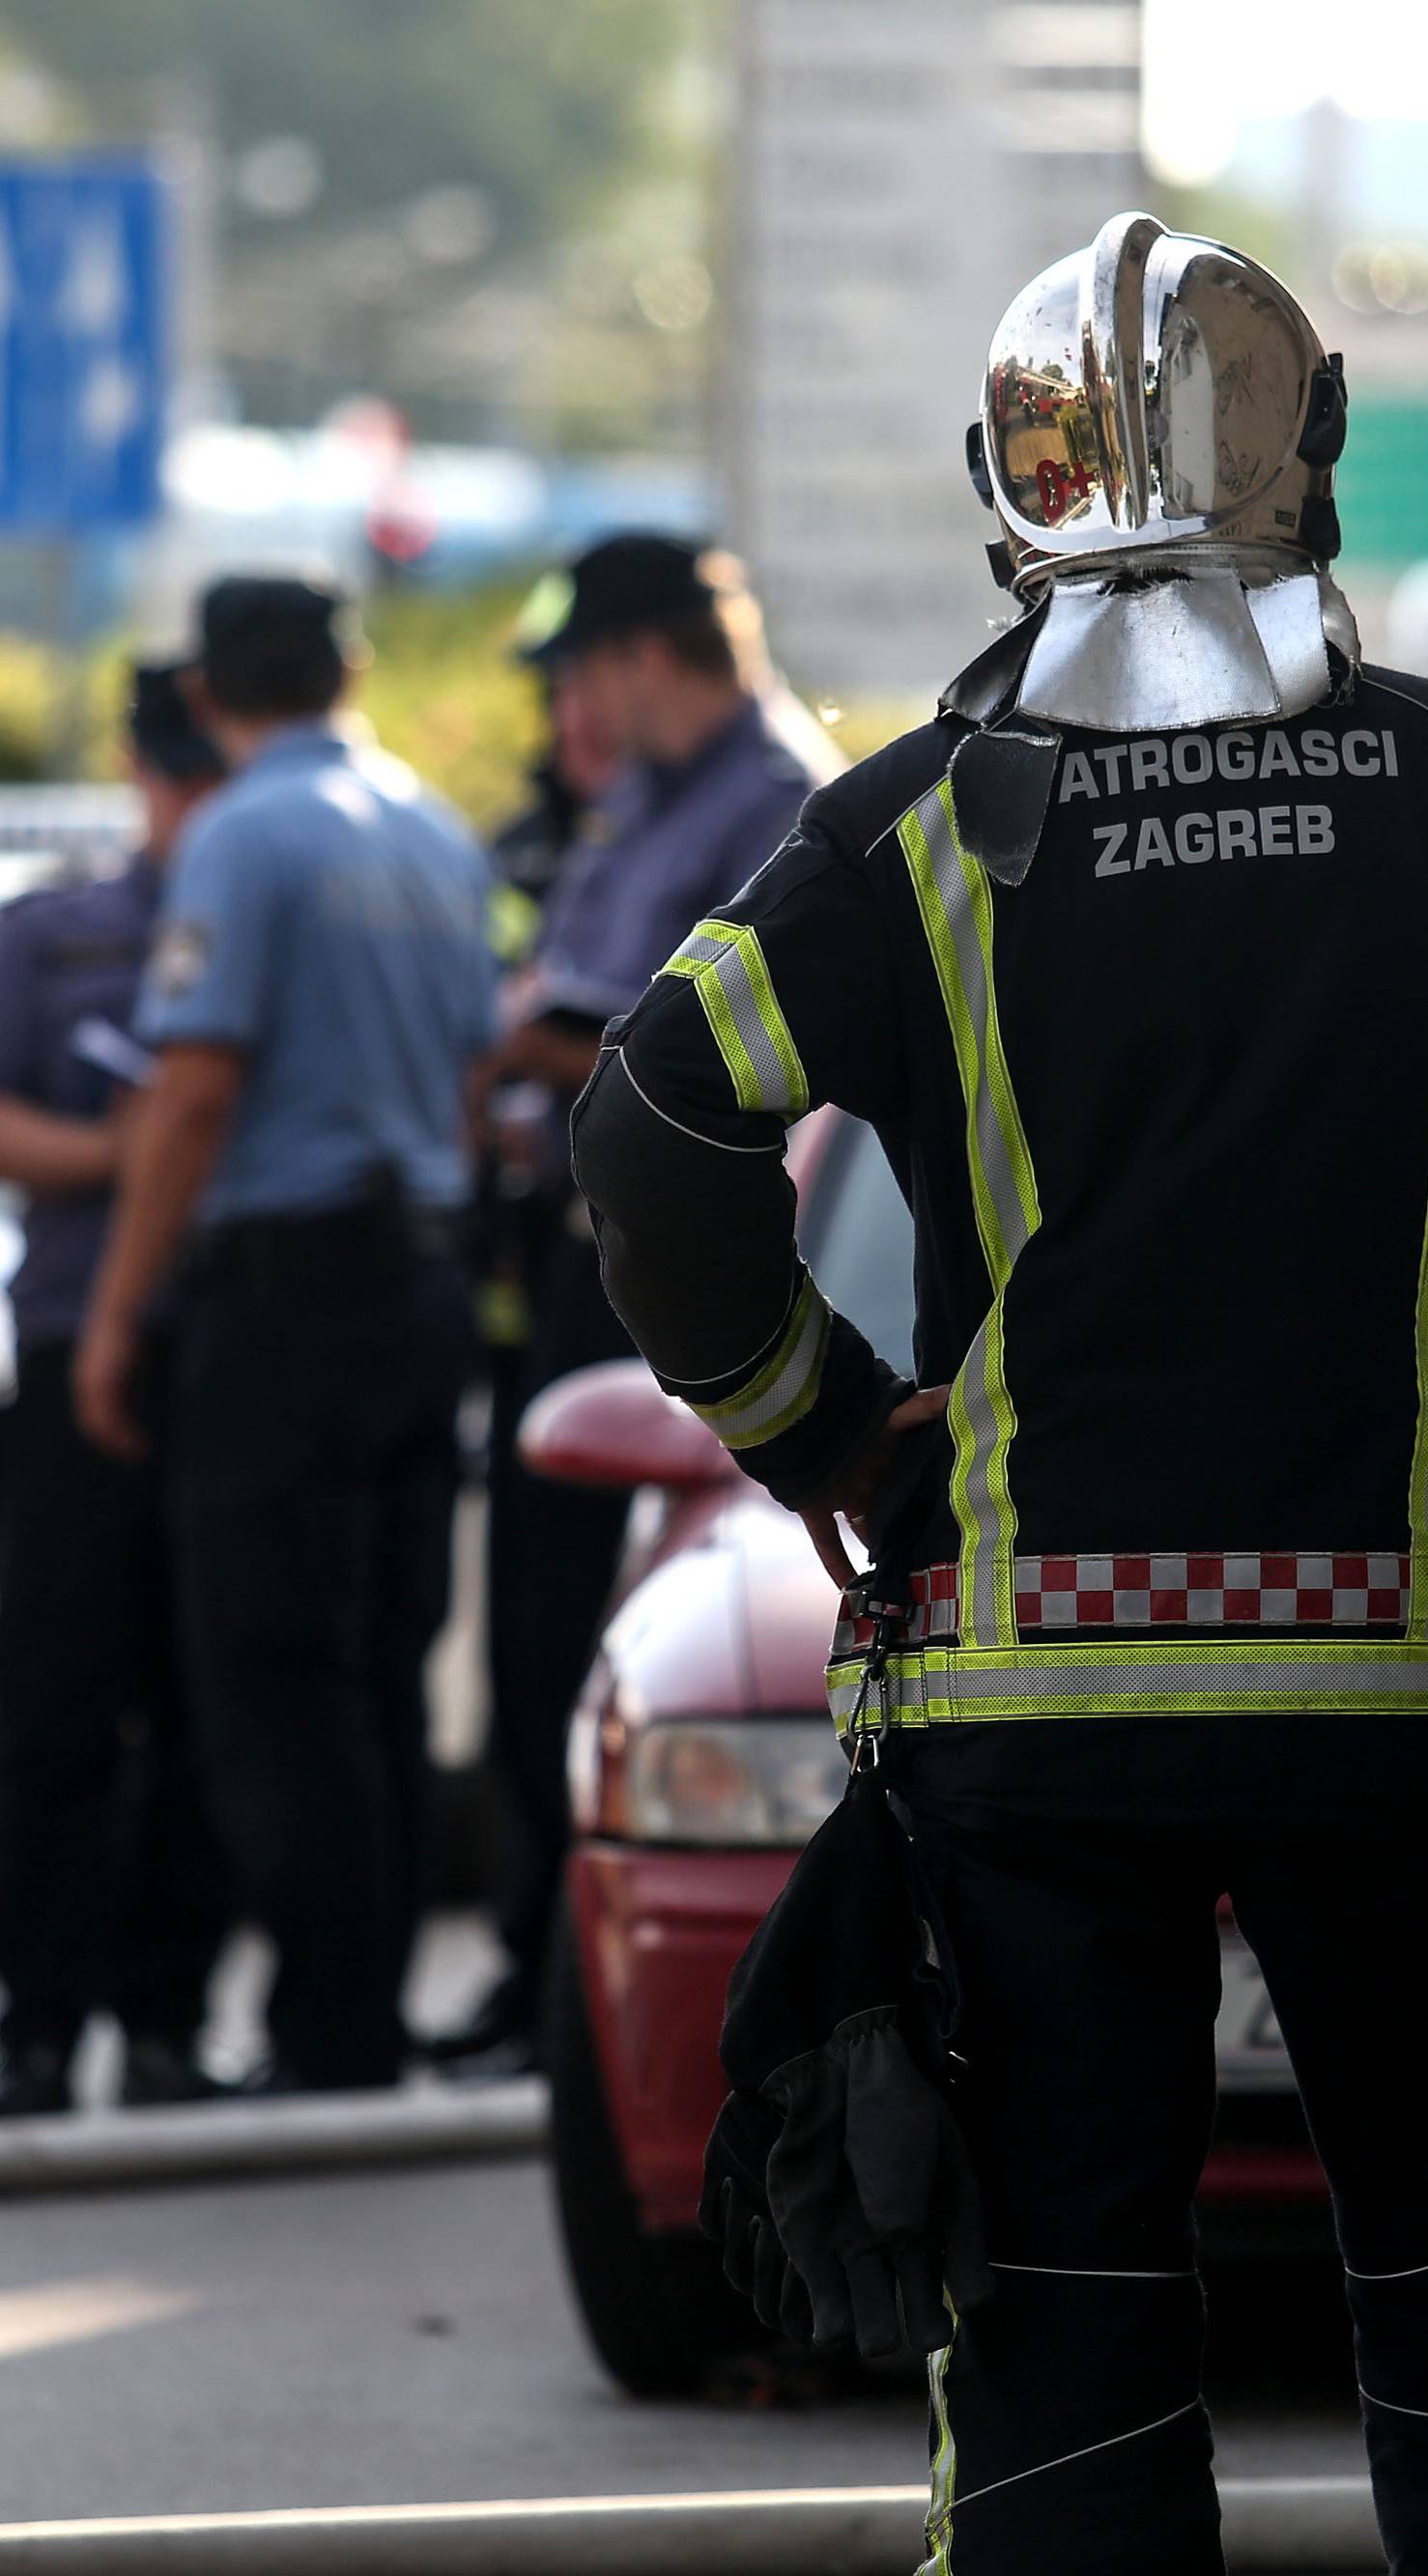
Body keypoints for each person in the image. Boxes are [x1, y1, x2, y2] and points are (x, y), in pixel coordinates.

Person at [569, 214, 1428, 2576]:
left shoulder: (917, 829)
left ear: (1014, 483)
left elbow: (652, 1126)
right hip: (1418, 1722)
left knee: (1062, 2338)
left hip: (1035, 1733)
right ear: (1322, 457)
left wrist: (827, 1425)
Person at [73, 578, 496, 2095]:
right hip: (418, 1279)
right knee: (380, 1668)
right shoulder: (434, 831)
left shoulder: (244, 835)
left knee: (275, 1678)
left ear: (203, 694)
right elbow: (470, 1076)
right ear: (353, 667)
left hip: (286, 1300)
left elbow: (190, 1092)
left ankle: (326, 2040)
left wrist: (117, 1317)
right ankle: (356, 2021)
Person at [435, 534, 835, 2073]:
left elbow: (681, 1050)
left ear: (651, 657)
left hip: (668, 1273)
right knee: (539, 1631)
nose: (580, 708)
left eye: (589, 670)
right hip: (567, 1254)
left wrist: (531, 1056)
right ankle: (535, 1965)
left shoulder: (779, 802)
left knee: (608, 1635)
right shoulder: (654, 803)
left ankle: (566, 1988)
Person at [0, 665, 230, 2115]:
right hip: (73, 1340)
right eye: (179, 780)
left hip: (219, 1348)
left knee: (202, 1704)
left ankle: (164, 2025)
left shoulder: (265, 909)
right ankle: (38, 2028)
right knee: (52, 1706)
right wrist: (125, 1159)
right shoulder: (56, 931)